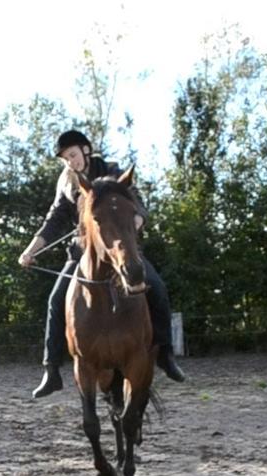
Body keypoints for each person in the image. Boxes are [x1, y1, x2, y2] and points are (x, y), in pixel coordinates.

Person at [18, 129, 186, 398]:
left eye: (73, 155)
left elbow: (138, 206)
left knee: (157, 286)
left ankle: (165, 354)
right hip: (83, 255)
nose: (71, 162)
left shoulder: (111, 169)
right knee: (54, 300)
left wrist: (135, 223)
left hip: (121, 251)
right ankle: (51, 369)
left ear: (85, 150)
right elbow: (53, 221)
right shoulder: (66, 182)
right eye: (65, 159)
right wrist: (29, 251)